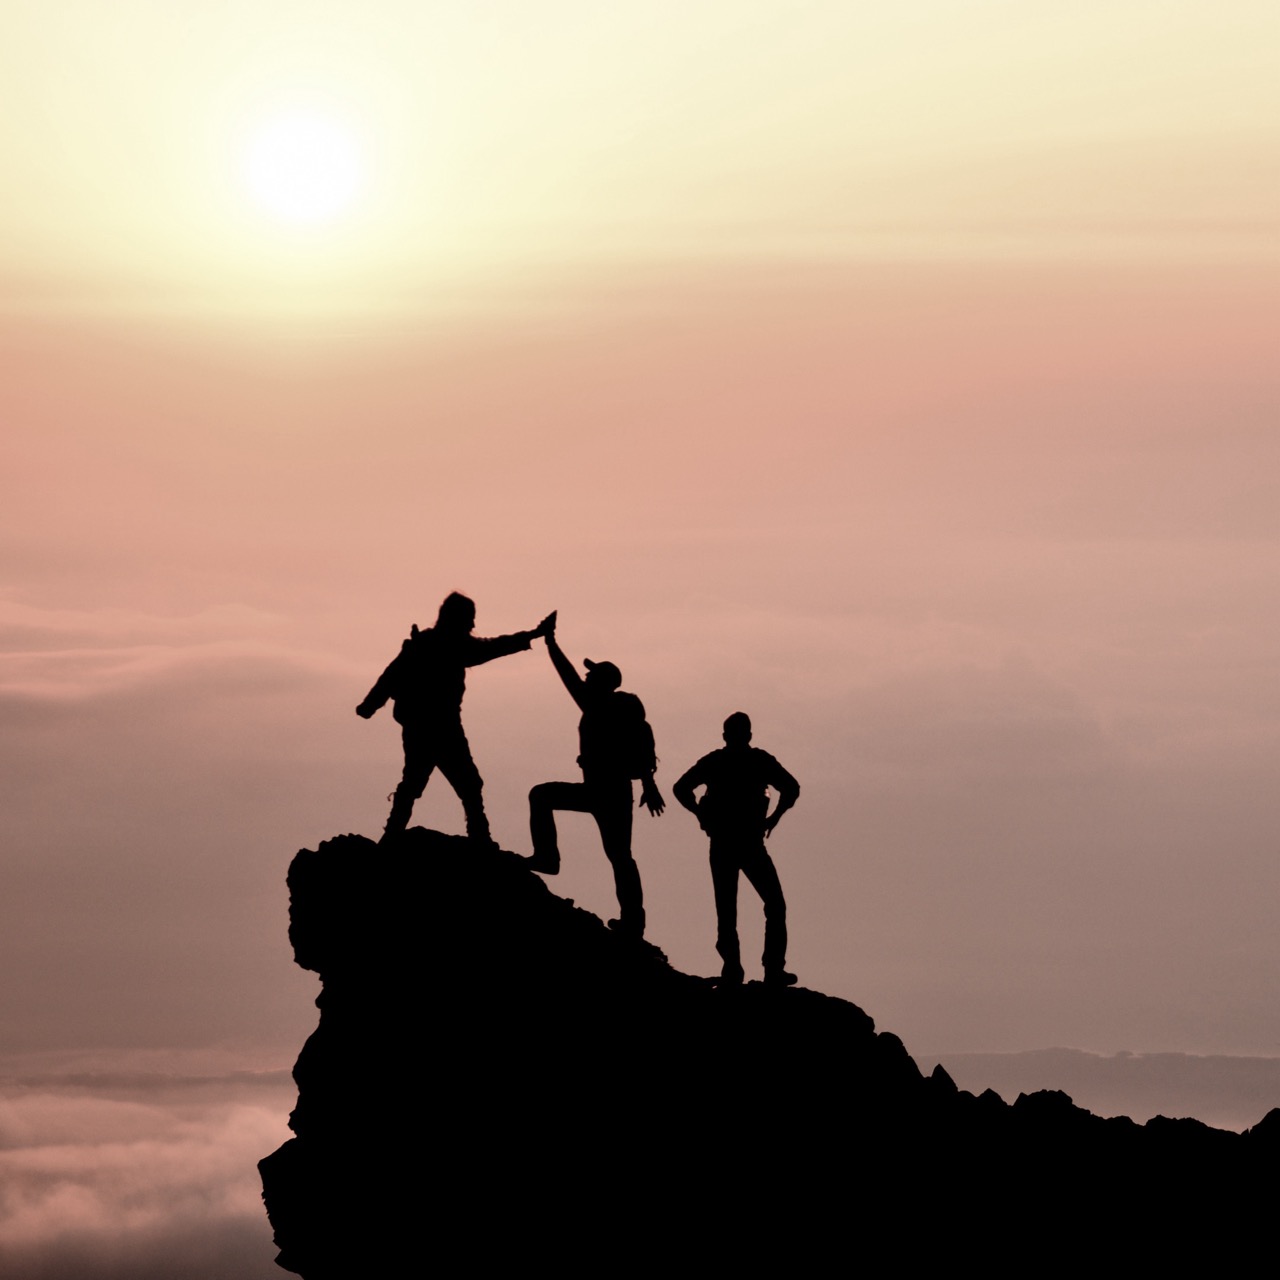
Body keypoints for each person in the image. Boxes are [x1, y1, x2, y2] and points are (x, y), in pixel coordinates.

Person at [357, 592, 553, 844]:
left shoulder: (426, 643)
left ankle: (394, 835)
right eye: (469, 619)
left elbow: (391, 676)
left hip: (423, 725)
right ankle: (478, 838)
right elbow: (493, 647)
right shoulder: (450, 646)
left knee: (420, 782)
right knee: (465, 784)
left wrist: (370, 705)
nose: (472, 625)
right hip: (441, 728)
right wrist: (533, 635)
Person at [525, 614, 664, 939]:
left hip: (604, 791)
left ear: (602, 682)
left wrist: (550, 643)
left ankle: (547, 857)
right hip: (614, 792)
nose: (585, 680)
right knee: (620, 857)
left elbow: (567, 675)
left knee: (541, 796)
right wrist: (648, 783)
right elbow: (641, 751)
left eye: (592, 676)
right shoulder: (615, 708)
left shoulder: (598, 706)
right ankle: (634, 923)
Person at [672, 713, 800, 986]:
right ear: (749, 735)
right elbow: (791, 788)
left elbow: (681, 788)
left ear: (725, 735)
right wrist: (774, 818)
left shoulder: (716, 761)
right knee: (771, 905)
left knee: (730, 909)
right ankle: (768, 970)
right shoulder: (758, 760)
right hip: (745, 843)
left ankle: (736, 969)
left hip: (726, 843)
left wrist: (699, 813)